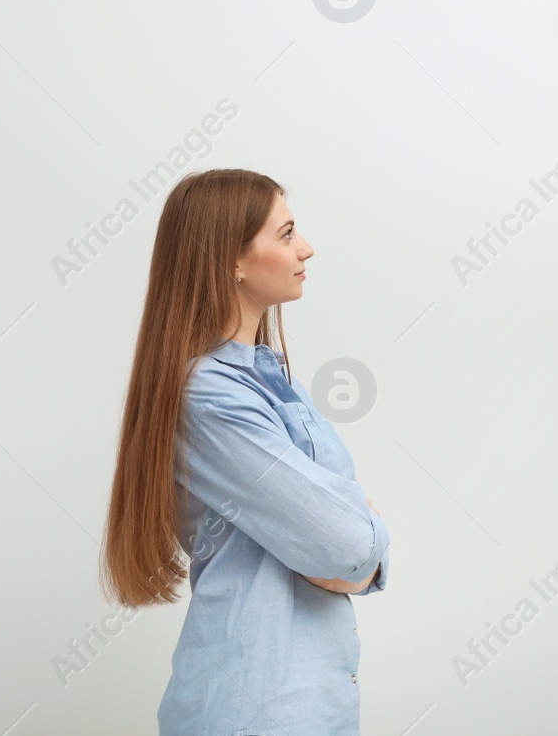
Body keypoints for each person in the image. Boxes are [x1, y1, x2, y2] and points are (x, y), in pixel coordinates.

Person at [100, 168, 389, 736]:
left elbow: (341, 548)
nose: (306, 248)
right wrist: (360, 535)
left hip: (307, 703)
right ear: (230, 259)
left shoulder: (269, 379)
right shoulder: (210, 396)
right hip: (256, 711)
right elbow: (348, 543)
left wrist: (347, 547)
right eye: (284, 235)